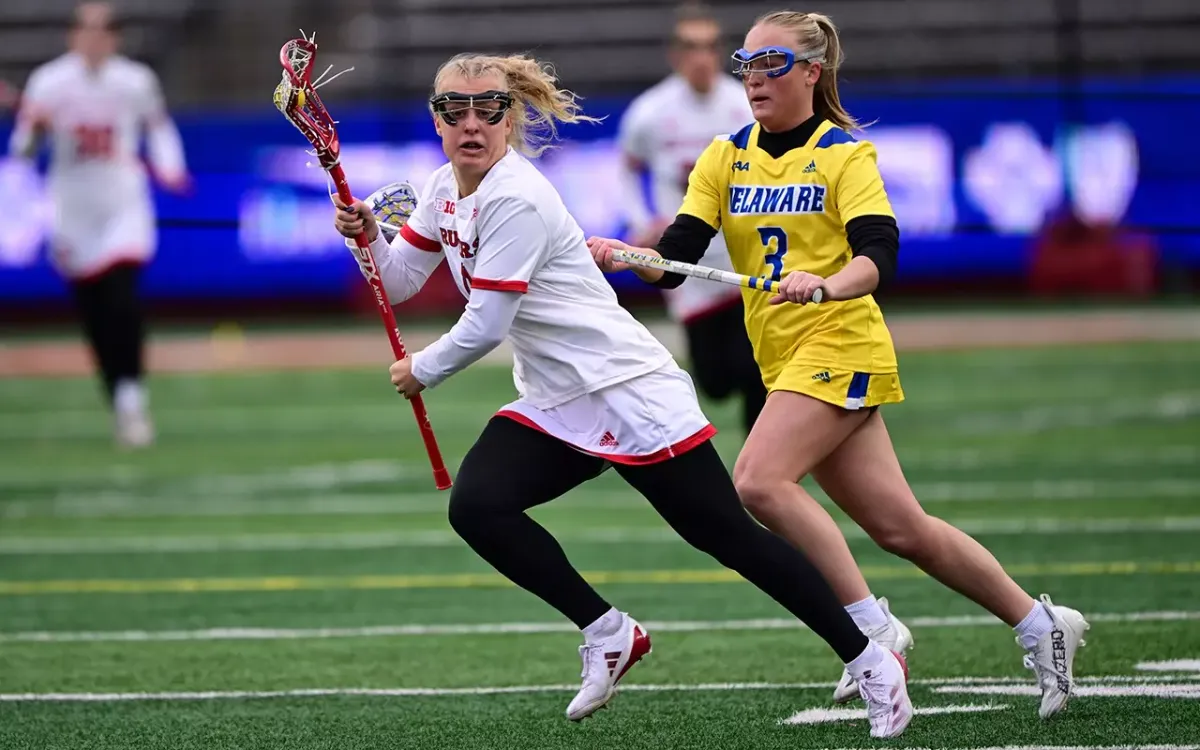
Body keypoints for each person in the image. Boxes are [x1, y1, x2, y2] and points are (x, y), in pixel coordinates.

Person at [332, 51, 912, 738]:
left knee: (729, 538)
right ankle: (609, 632)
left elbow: (487, 322)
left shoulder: (517, 196)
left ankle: (870, 657)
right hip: (557, 399)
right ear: (437, 121)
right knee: (479, 507)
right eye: (452, 110)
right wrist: (368, 237)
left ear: (510, 116)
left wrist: (421, 369)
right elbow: (398, 282)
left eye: (488, 108)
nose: (471, 122)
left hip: (628, 390)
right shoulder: (439, 189)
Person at [588, 10, 1090, 720]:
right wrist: (629, 255)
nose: (754, 78)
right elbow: (677, 259)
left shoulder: (843, 153)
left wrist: (827, 282)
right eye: (747, 63)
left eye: (773, 64)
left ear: (811, 73)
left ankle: (871, 630)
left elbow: (877, 257)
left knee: (759, 481)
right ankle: (1042, 625)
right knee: (901, 529)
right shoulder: (724, 155)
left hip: (841, 342)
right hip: (783, 355)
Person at [8, 2, 190, 448]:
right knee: (95, 314)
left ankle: (132, 398)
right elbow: (22, 151)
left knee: (122, 298)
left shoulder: (134, 80)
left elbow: (159, 127)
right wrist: (36, 127)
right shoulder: (49, 82)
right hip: (72, 209)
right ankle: (119, 395)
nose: (94, 37)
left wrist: (171, 168)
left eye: (104, 29)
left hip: (123, 203)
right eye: (86, 28)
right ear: (73, 35)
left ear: (116, 36)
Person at [618, 3, 766, 435]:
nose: (701, 57)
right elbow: (628, 168)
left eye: (709, 46)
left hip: (743, 252)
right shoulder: (650, 111)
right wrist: (643, 218)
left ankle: (765, 460)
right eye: (690, 47)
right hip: (688, 259)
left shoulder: (744, 105)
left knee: (755, 361)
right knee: (716, 381)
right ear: (675, 54)